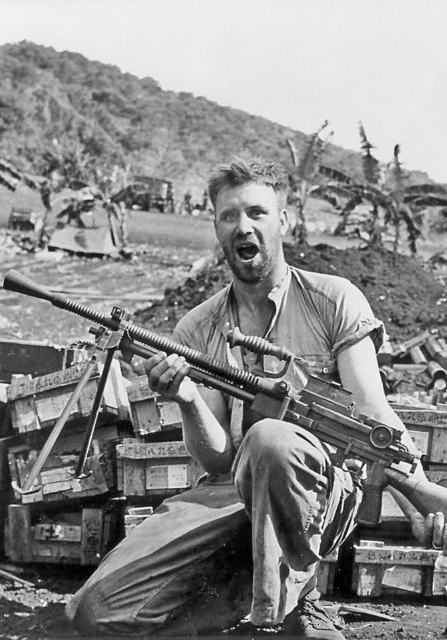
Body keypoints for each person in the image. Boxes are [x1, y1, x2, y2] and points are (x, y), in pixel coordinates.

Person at [65, 155, 428, 638]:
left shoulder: (334, 299)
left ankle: (278, 614)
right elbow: (217, 461)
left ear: (283, 220)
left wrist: (418, 495)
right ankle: (273, 608)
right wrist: (188, 397)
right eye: (229, 215)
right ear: (215, 226)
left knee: (272, 440)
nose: (243, 227)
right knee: (92, 613)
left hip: (321, 492)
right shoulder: (197, 326)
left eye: (257, 213)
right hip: (228, 491)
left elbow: (373, 410)